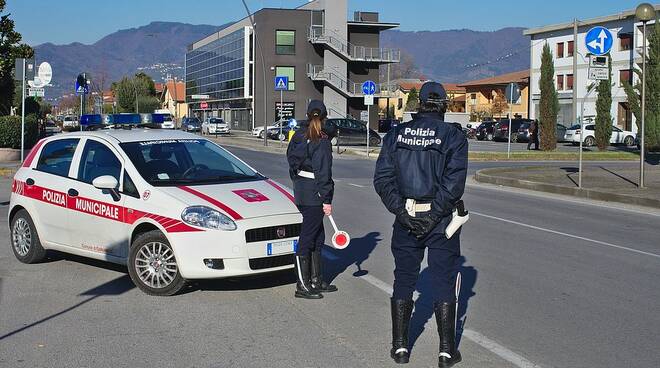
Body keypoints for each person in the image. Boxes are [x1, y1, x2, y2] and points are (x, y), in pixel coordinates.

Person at [374, 82, 468, 367]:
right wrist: (432, 216)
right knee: (443, 282)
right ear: (443, 105)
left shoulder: (396, 134)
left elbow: (383, 180)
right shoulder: (453, 137)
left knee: (404, 279)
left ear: (419, 103)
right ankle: (446, 351)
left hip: (405, 218)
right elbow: (453, 186)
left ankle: (400, 348)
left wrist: (403, 213)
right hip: (440, 222)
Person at [286, 100, 338, 299]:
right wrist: (326, 198)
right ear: (324, 117)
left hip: (301, 190)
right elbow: (323, 172)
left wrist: (299, 183)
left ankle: (316, 280)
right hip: (315, 194)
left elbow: (291, 162)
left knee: (318, 237)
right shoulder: (321, 140)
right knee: (307, 238)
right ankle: (303, 285)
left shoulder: (299, 136)